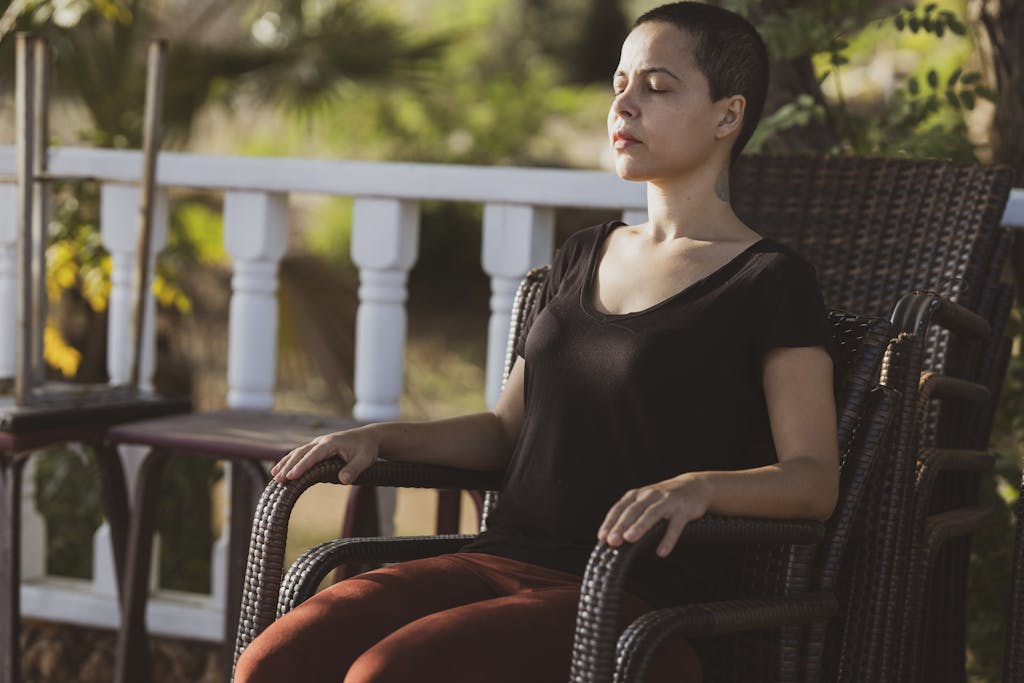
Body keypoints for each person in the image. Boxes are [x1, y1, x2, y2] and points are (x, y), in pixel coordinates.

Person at [235, 3, 838, 682]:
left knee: (388, 674)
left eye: (658, 88)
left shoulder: (769, 281)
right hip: (496, 561)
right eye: (619, 85)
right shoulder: (582, 254)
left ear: (728, 116)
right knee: (273, 661)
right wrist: (381, 437)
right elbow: (505, 431)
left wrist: (699, 487)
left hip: (630, 598)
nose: (625, 105)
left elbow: (813, 478)